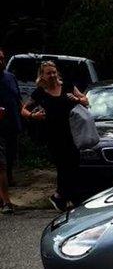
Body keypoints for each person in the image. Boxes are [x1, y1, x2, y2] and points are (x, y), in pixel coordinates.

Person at [21, 60, 89, 211]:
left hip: (72, 132)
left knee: (74, 164)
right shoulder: (40, 92)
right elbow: (24, 110)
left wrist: (77, 99)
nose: (52, 75)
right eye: (48, 73)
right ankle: (68, 198)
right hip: (53, 135)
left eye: (54, 72)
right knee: (63, 166)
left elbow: (86, 100)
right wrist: (33, 116)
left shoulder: (67, 86)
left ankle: (61, 197)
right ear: (42, 76)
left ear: (57, 72)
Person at [0, 49, 22, 213]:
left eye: (2, 58)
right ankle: (5, 201)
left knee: (10, 157)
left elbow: (18, 99)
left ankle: (8, 183)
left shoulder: (10, 77)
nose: (1, 61)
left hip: (12, 125)